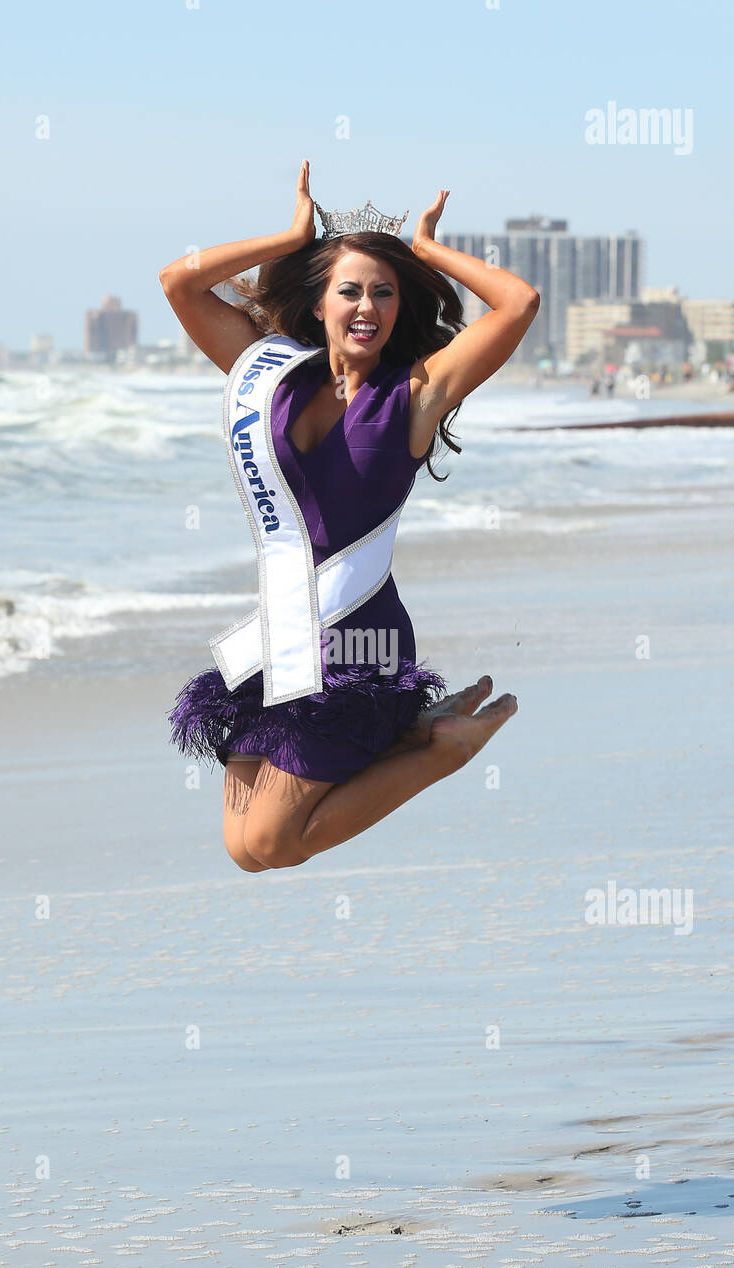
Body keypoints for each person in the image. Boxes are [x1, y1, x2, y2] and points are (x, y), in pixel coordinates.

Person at [159, 161, 540, 872]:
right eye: (350, 290)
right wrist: (287, 237)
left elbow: (517, 303)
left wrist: (426, 250)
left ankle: (441, 752)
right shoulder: (265, 374)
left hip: (358, 641)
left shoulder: (416, 395)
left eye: (384, 292)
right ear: (320, 300)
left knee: (275, 842)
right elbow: (177, 282)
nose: (367, 306)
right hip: (283, 636)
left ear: (400, 306)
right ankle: (409, 738)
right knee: (244, 849)